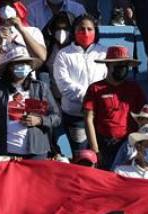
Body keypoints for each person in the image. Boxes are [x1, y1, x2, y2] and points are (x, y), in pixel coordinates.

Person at [0, 48, 59, 160]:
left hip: (37, 152)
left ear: (30, 67)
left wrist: (40, 120)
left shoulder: (41, 88)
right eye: (18, 63)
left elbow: (56, 117)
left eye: (26, 63)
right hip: (5, 152)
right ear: (9, 67)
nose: (23, 66)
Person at [83, 45, 147, 169]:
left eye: (124, 65)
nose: (122, 68)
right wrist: (95, 150)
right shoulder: (95, 89)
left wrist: (138, 147)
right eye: (118, 65)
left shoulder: (135, 88)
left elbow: (142, 118)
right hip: (103, 143)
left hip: (128, 143)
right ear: (108, 65)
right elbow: (88, 119)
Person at [50, 13, 106, 152]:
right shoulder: (63, 54)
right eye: (81, 29)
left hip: (102, 114)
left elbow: (108, 79)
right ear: (74, 32)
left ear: (95, 31)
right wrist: (90, 98)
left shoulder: (104, 52)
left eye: (89, 29)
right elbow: (64, 85)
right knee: (82, 155)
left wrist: (99, 101)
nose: (85, 32)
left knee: (101, 154)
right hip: (76, 116)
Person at [0, 1, 48, 81]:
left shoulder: (33, 31)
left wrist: (21, 30)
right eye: (3, 4)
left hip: (28, 85)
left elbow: (42, 57)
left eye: (10, 5)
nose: (6, 8)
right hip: (0, 87)